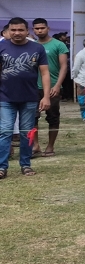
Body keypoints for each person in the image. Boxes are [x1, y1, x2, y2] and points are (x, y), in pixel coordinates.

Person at [0, 18, 50, 178]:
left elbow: (44, 73)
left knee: (26, 133)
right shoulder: (1, 47)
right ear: (8, 31)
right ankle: (2, 167)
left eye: (20, 30)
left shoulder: (37, 48)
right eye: (13, 30)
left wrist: (46, 96)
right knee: (5, 131)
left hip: (29, 98)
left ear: (27, 31)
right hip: (5, 98)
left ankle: (26, 165)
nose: (17, 33)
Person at [27, 18, 67, 158]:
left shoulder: (59, 45)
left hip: (52, 87)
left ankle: (50, 146)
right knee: (32, 118)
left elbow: (63, 66)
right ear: (33, 30)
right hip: (33, 87)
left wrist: (57, 85)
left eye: (42, 28)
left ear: (48, 28)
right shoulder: (30, 45)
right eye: (37, 28)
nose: (39, 30)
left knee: (53, 117)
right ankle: (35, 145)